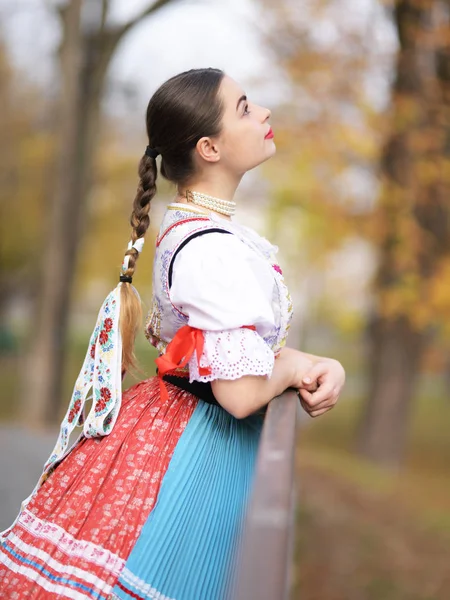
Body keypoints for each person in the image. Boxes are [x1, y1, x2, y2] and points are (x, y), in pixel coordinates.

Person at [0, 67, 345, 599]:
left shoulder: (205, 231)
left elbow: (239, 354)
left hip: (176, 428)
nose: (264, 113)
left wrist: (306, 361)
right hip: (196, 451)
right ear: (209, 147)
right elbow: (237, 392)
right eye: (245, 107)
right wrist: (295, 368)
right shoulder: (208, 248)